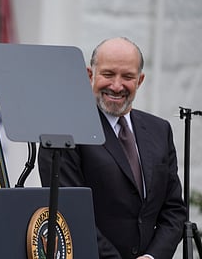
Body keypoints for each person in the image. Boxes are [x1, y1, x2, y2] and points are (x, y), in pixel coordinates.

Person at [38, 37, 186, 259]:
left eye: (127, 76)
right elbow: (69, 212)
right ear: (90, 75)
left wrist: (152, 257)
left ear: (140, 80)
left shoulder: (160, 130)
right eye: (108, 74)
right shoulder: (62, 132)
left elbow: (174, 211)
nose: (117, 86)